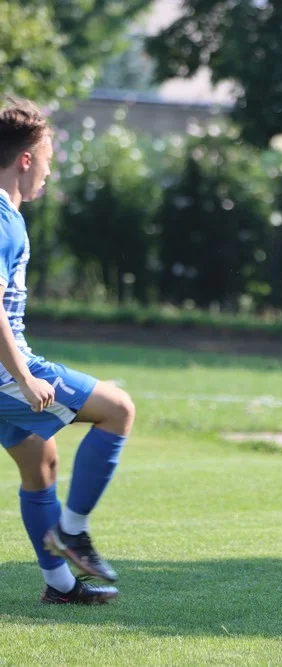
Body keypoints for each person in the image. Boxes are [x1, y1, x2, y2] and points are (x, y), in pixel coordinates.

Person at [0, 97, 136, 605]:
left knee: (42, 462)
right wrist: (24, 374)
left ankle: (59, 587)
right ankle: (72, 532)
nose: (49, 177)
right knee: (118, 409)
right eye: (48, 163)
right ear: (26, 159)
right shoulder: (3, 218)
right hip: (4, 370)